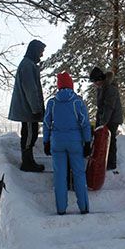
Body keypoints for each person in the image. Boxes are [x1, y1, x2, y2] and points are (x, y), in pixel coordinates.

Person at [43, 72, 92, 215]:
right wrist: (87, 142)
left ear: (58, 86)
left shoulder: (52, 102)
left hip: (57, 142)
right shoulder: (77, 101)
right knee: (79, 174)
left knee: (59, 175)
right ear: (71, 85)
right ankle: (83, 207)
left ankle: (61, 209)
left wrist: (46, 141)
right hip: (75, 142)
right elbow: (85, 123)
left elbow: (46, 123)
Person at [8, 39, 46, 172]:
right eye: (41, 52)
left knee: (30, 134)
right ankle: (27, 162)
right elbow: (30, 89)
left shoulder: (28, 64)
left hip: (28, 109)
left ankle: (29, 161)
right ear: (34, 50)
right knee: (30, 135)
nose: (41, 55)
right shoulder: (27, 65)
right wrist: (36, 109)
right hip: (28, 110)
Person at [89, 66, 123, 170]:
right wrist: (98, 121)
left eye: (95, 81)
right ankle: (104, 160)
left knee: (111, 140)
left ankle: (111, 163)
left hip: (113, 119)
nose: (94, 84)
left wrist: (103, 123)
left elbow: (109, 107)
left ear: (99, 79)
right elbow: (101, 107)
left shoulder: (110, 89)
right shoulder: (101, 88)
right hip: (106, 118)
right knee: (103, 140)